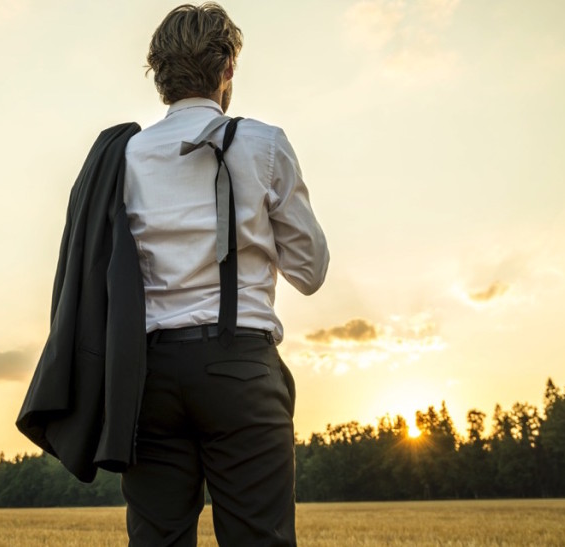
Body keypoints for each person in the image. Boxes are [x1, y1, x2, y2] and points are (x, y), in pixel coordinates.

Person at [120, 3, 329, 545]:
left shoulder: (125, 156)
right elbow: (310, 271)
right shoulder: (263, 143)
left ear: (158, 73)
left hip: (147, 379)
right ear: (227, 67)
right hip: (240, 368)